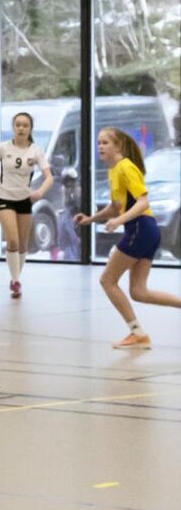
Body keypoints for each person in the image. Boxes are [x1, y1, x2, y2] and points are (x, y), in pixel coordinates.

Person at [74, 127, 181, 349]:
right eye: (99, 143)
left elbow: (143, 202)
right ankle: (139, 333)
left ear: (118, 146)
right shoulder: (114, 170)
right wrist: (91, 219)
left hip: (140, 228)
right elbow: (115, 207)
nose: (101, 146)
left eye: (105, 142)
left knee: (107, 280)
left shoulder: (126, 168)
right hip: (145, 230)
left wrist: (120, 221)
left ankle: (137, 333)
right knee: (139, 292)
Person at [0, 112, 54, 297]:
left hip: (24, 200)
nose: (21, 128)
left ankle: (16, 277)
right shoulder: (2, 148)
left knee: (23, 244)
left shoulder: (36, 150)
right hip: (3, 197)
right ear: (13, 127)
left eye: (25, 125)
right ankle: (15, 281)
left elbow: (49, 178)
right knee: (12, 240)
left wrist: (39, 192)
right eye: (18, 125)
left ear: (30, 129)